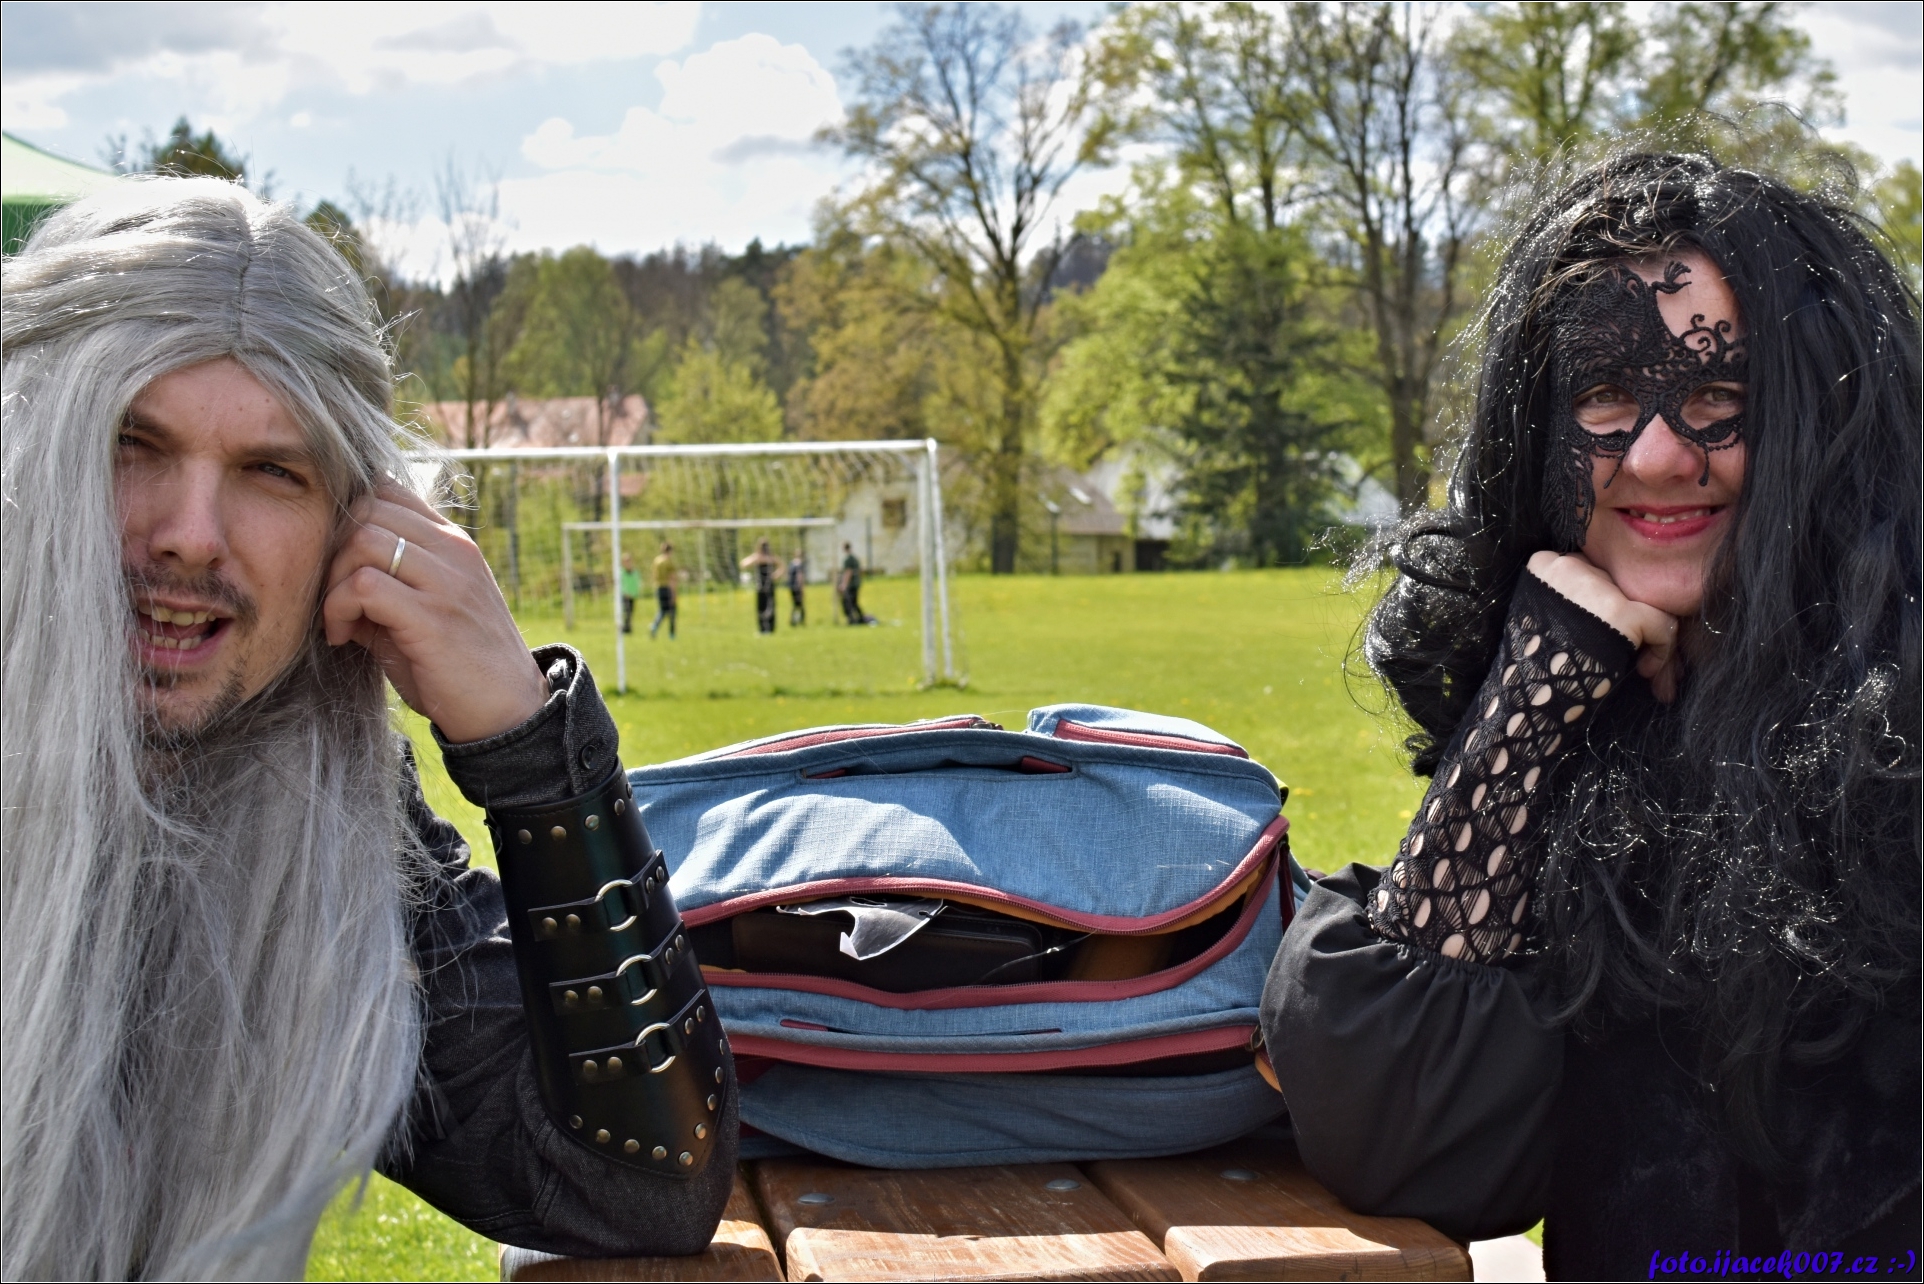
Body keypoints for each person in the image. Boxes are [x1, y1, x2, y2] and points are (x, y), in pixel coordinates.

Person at [0, 178, 738, 1279]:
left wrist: (530, 746)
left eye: (271, 471)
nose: (191, 534)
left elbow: (637, 1182)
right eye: (129, 442)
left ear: (350, 529)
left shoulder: (321, 810)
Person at [1261, 152, 1918, 1278]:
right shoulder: (1575, 725)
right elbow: (1402, 1146)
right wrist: (1535, 691)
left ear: (1826, 422)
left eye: (1720, 399)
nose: (1656, 456)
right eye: (1604, 398)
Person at [741, 538, 780, 634]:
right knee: (761, 607)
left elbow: (782, 566)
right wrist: (755, 558)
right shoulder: (757, 557)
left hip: (769, 585)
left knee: (770, 606)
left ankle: (770, 628)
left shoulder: (771, 558)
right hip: (760, 585)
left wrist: (776, 575)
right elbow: (743, 564)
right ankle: (762, 629)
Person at [837, 541, 873, 625]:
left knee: (848, 602)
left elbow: (848, 572)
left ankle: (852, 619)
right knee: (855, 602)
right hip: (856, 583)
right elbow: (860, 571)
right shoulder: (855, 559)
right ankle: (860, 618)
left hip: (851, 584)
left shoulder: (848, 560)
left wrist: (843, 585)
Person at [649, 541, 678, 639]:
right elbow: (672, 577)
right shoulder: (668, 561)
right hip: (667, 588)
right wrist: (674, 592)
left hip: (658, 587)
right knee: (672, 610)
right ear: (670, 551)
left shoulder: (656, 560)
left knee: (662, 610)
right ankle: (672, 634)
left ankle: (654, 626)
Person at [619, 553, 641, 634]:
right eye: (626, 561)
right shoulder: (621, 572)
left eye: (629, 561)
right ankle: (624, 627)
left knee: (630, 612)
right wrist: (625, 592)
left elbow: (637, 583)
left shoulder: (635, 572)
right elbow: (620, 584)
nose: (627, 563)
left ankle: (628, 628)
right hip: (624, 595)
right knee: (625, 611)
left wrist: (634, 593)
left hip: (632, 596)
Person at [787, 550, 807, 627]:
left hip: (792, 587)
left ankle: (795, 620)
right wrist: (802, 588)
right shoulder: (800, 564)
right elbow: (800, 576)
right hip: (797, 587)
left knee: (796, 604)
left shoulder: (791, 563)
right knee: (799, 604)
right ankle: (798, 620)